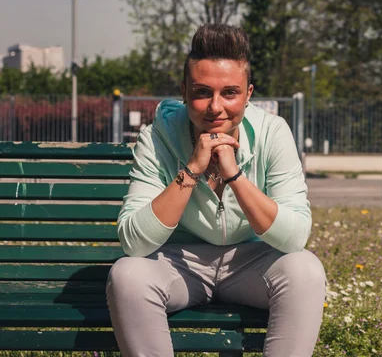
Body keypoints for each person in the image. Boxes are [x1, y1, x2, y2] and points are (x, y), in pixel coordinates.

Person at [106, 23, 326, 357]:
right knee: (127, 275)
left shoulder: (273, 133)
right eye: (202, 92)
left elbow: (294, 238)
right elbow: (135, 243)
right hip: (182, 265)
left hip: (251, 265)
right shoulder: (157, 137)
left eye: (229, 93)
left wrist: (234, 175)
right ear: (184, 91)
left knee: (306, 270)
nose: (215, 107)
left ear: (249, 94)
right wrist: (193, 168)